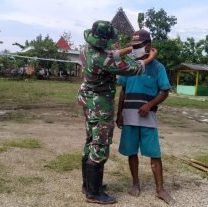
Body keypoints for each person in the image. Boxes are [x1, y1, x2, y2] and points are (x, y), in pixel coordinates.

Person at [77, 20, 157, 204]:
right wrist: (149, 58)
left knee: (90, 141)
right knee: (100, 144)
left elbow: (110, 54)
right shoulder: (104, 60)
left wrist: (127, 50)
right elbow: (134, 68)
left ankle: (88, 185)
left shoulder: (85, 50)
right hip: (100, 106)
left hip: (88, 101)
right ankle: (94, 193)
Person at [116, 29, 175, 205]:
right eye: (132, 46)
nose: (134, 49)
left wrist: (150, 105)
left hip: (148, 119)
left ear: (148, 46)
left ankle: (160, 190)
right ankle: (135, 184)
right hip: (129, 117)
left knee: (154, 154)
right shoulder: (130, 65)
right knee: (131, 152)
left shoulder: (158, 67)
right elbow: (123, 91)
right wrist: (119, 114)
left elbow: (164, 92)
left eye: (137, 46)